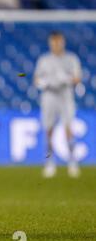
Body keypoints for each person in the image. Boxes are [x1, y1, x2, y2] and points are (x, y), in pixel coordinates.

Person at [34, 31, 82, 178]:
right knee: (49, 130)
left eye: (58, 42)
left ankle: (73, 161)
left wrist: (67, 78)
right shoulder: (44, 60)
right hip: (49, 95)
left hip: (65, 94)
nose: (56, 45)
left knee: (68, 128)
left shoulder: (71, 58)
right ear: (50, 43)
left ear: (63, 42)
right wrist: (44, 83)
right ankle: (49, 163)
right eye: (53, 42)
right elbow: (36, 80)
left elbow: (77, 78)